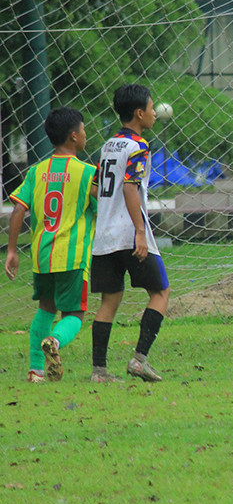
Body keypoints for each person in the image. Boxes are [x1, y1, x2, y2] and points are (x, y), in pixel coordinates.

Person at [5, 108, 98, 382]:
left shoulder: (36, 171)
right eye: (83, 129)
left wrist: (11, 250)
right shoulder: (88, 173)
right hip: (72, 256)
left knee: (45, 307)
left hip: (42, 255)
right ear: (73, 136)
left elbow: (19, 210)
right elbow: (100, 206)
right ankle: (55, 341)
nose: (85, 134)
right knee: (75, 314)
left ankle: (35, 370)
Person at [90, 83, 170, 383]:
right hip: (130, 232)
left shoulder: (108, 145)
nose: (153, 112)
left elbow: (97, 188)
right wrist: (139, 230)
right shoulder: (139, 146)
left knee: (109, 300)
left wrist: (106, 214)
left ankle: (99, 371)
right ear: (139, 113)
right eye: (151, 108)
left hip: (105, 236)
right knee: (160, 292)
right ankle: (139, 359)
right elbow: (129, 186)